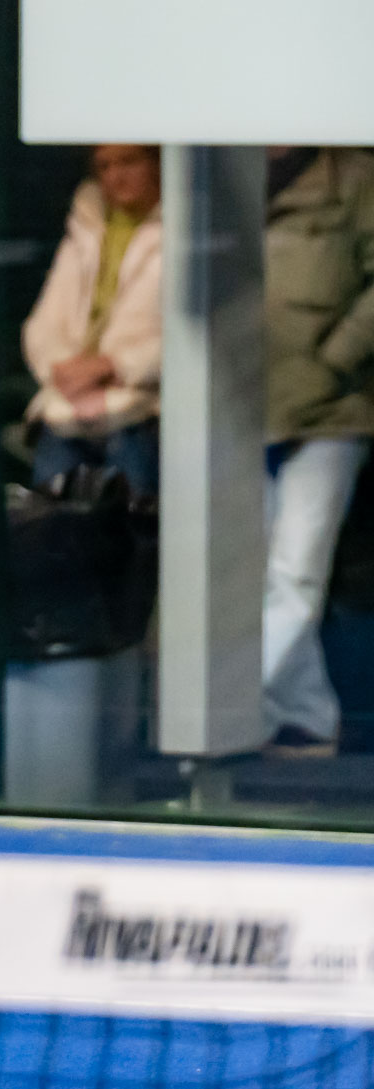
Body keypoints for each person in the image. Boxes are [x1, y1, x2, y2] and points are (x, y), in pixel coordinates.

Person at [262, 146, 374, 757]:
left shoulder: (354, 178)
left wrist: (334, 361)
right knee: (251, 573)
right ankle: (305, 714)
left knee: (297, 568)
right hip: (238, 403)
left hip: (332, 406)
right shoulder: (220, 168)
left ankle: (233, 703)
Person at [21, 144, 163, 496]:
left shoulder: (188, 230)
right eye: (104, 167)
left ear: (157, 163)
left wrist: (115, 367)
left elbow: (196, 334)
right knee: (49, 517)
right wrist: (66, 372)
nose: (116, 176)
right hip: (68, 409)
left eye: (129, 162)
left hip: (143, 412)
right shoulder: (86, 228)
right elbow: (41, 328)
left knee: (133, 521)